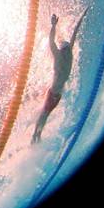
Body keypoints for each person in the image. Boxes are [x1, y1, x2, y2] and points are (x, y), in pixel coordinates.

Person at [32, 9, 88, 144]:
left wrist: (83, 14)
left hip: (58, 95)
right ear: (63, 50)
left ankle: (37, 134)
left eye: (68, 48)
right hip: (53, 93)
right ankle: (35, 135)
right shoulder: (59, 56)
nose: (68, 51)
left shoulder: (68, 52)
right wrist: (53, 26)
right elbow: (51, 42)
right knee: (44, 114)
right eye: (66, 49)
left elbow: (75, 31)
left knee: (46, 114)